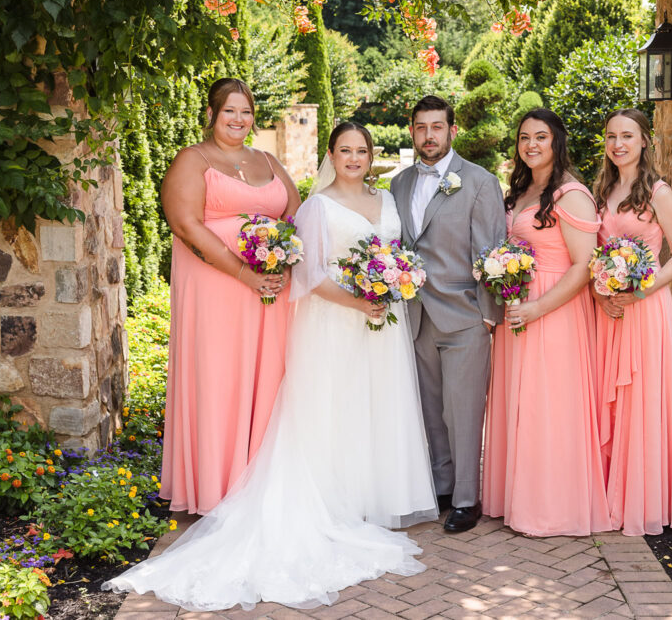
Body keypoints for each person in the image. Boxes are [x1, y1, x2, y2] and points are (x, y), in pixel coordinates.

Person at [104, 122, 437, 611]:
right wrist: (357, 300)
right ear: (331, 154)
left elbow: (394, 255)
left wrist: (392, 284)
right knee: (328, 405)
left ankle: (373, 497)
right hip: (335, 321)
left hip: (381, 325)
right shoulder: (319, 206)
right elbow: (309, 271)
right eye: (344, 149)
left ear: (372, 156)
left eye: (361, 150)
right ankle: (332, 499)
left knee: (376, 405)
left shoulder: (388, 201)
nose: (353, 157)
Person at [158, 78, 301, 515]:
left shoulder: (268, 160)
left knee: (269, 378)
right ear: (212, 114)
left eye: (246, 112)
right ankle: (217, 488)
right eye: (229, 112)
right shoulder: (193, 160)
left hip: (270, 295)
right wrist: (244, 272)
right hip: (217, 293)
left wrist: (284, 258)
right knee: (220, 377)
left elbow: (295, 212)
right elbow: (185, 225)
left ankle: (263, 480)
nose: (239, 120)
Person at [482, 109, 612, 537]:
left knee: (548, 406)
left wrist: (537, 308)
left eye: (540, 137)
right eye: (524, 138)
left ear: (556, 141)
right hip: (517, 310)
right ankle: (516, 497)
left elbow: (583, 266)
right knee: (520, 403)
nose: (531, 145)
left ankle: (551, 508)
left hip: (554, 312)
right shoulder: (520, 189)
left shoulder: (570, 194)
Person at [390, 95, 506, 533]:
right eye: (421, 127)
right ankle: (440, 487)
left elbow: (491, 250)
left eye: (437, 127)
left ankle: (466, 498)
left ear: (452, 131)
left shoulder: (478, 182)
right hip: (415, 315)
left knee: (464, 410)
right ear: (412, 131)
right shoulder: (399, 184)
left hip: (464, 316)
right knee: (430, 408)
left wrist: (488, 316)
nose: (429, 135)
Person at [593, 108, 672, 536]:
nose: (618, 144)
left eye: (627, 136)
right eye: (612, 136)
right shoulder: (601, 189)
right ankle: (607, 494)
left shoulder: (658, 192)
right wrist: (601, 292)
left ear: (644, 141)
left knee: (641, 401)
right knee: (607, 400)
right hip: (609, 309)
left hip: (645, 308)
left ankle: (640, 501)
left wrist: (640, 291)